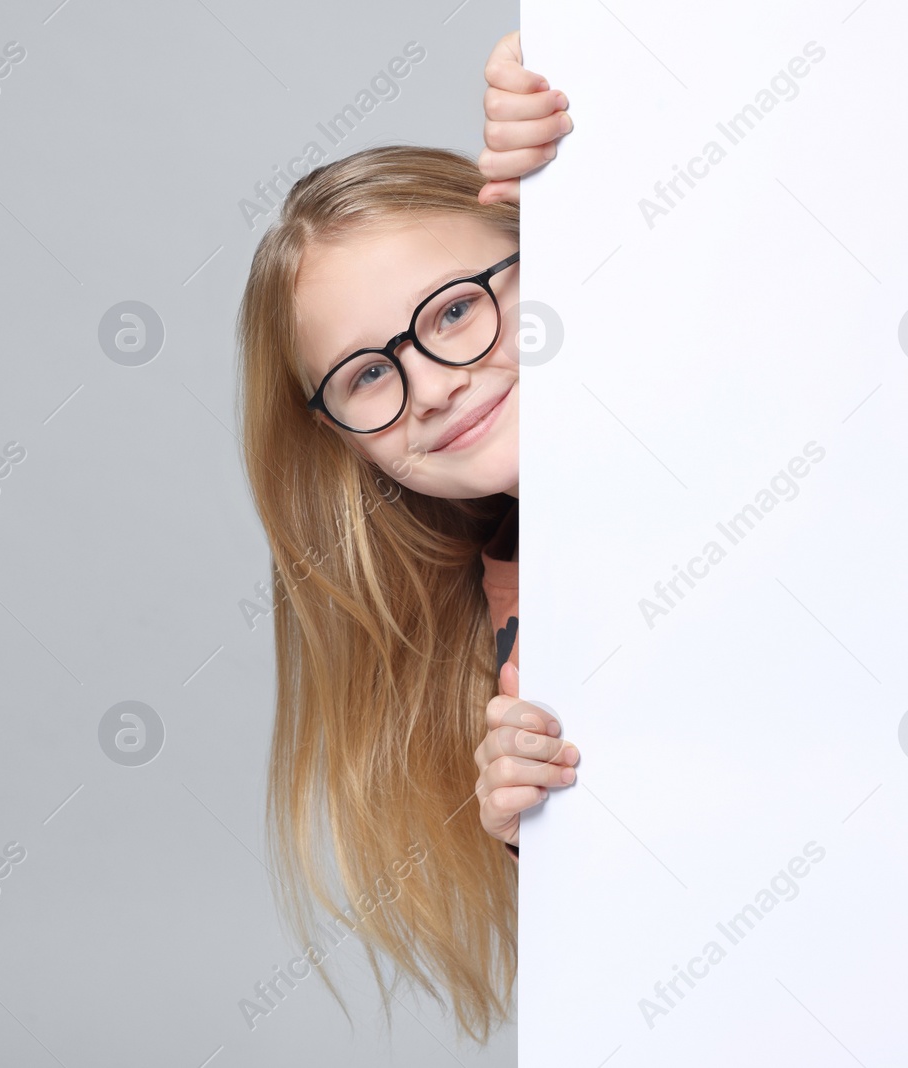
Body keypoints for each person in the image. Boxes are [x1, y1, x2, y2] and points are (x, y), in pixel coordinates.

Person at [233, 29, 574, 1044]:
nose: (430, 387)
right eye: (368, 375)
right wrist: (544, 827)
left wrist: (562, 77)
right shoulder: (507, 606)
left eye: (458, 310)